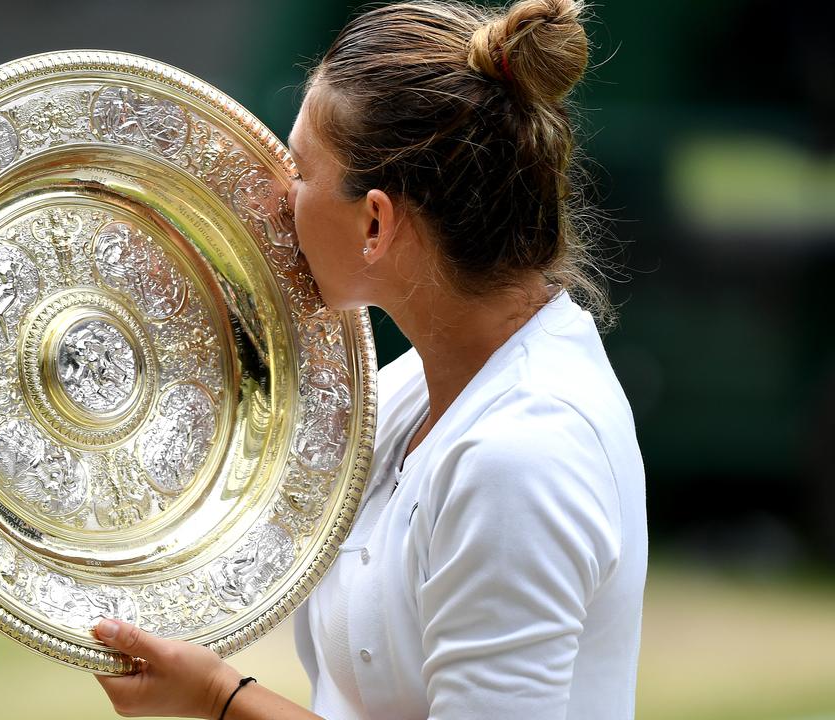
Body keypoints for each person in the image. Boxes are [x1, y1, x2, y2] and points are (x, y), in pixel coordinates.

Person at [90, 1, 648, 718]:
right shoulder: (413, 389)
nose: (274, 197)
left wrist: (217, 700)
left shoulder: (522, 455)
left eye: (297, 170)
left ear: (375, 223)